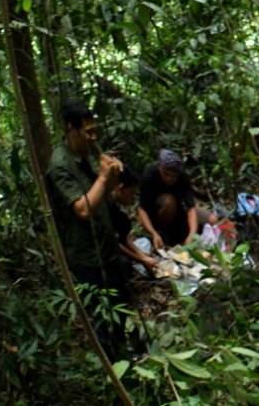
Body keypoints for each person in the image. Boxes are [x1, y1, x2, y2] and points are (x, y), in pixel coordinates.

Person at [44, 100, 131, 343]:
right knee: (101, 319)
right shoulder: (60, 165)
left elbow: (106, 194)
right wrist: (103, 177)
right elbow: (82, 209)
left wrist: (112, 175)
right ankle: (111, 369)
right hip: (86, 257)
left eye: (95, 131)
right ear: (72, 130)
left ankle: (124, 356)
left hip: (107, 247)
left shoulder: (89, 154)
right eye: (88, 132)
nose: (94, 137)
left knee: (121, 306)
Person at [137, 149, 200, 250]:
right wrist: (153, 233)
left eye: (173, 176)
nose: (169, 179)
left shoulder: (183, 178)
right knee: (168, 202)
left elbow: (191, 208)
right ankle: (162, 234)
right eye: (166, 174)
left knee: (211, 218)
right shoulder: (150, 175)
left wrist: (192, 234)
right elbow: (142, 209)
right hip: (155, 213)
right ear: (160, 168)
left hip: (178, 212)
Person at [108, 166, 161, 278]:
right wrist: (142, 259)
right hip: (106, 253)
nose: (133, 198)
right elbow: (115, 244)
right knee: (124, 264)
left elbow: (124, 239)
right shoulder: (106, 207)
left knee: (145, 243)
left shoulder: (116, 209)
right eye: (131, 193)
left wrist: (143, 256)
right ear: (121, 189)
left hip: (118, 245)